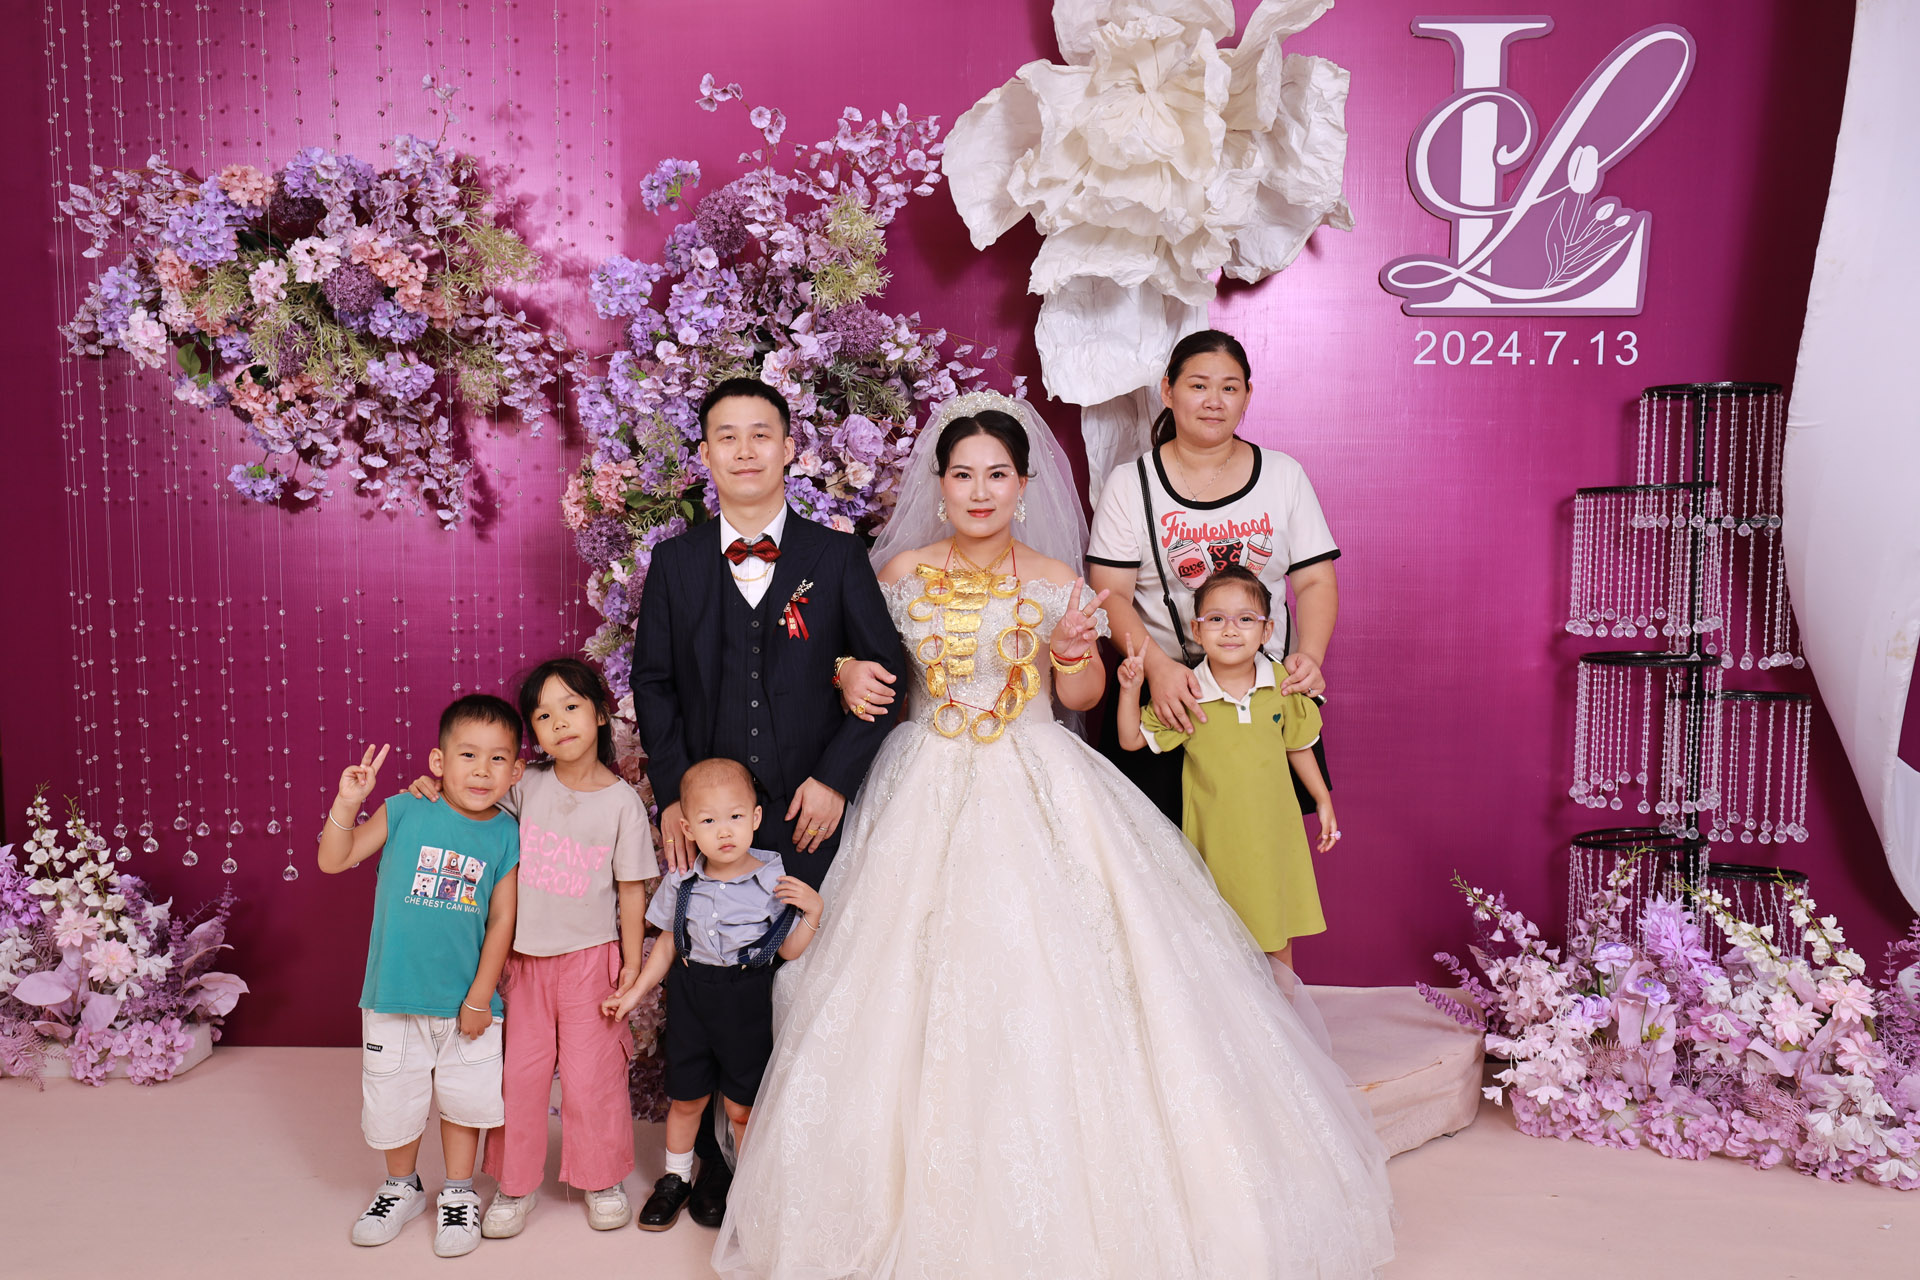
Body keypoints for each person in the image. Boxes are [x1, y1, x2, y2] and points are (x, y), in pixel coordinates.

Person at [711, 393, 1393, 1279]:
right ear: (938, 484)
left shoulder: (1057, 579)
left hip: (1034, 772)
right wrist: (846, 671)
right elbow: (849, 655)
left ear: (1025, 485)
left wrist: (1074, 650)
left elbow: (1079, 701)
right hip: (918, 777)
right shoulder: (898, 571)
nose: (980, 491)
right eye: (963, 475)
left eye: (997, 474)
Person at [630, 375, 898, 1224]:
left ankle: (793, 1154)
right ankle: (711, 1160)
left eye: (760, 434)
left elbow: (887, 673)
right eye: (726, 435)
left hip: (804, 811)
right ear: (704, 455)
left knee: (793, 976)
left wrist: (836, 778)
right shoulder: (675, 563)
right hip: (710, 822)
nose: (744, 450)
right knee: (710, 977)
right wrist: (677, 797)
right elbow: (654, 685)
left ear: (789, 448)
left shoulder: (836, 557)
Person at [1086, 329, 1341, 825]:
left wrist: (1309, 657)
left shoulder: (1283, 475)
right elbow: (1110, 595)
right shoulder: (1130, 483)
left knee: (1257, 846)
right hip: (1169, 694)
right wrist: (1158, 670)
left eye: (1229, 387)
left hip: (1261, 693)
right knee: (1159, 853)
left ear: (1247, 395)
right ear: (1168, 391)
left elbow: (1315, 581)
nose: (1214, 401)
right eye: (1198, 385)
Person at [317, 695, 524, 1259]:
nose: (481, 770)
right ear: (439, 761)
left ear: (516, 771)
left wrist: (480, 996)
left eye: (498, 759)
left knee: (465, 1100)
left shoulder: (507, 833)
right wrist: (348, 802)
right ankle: (401, 1187)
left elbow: (503, 919)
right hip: (394, 994)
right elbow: (334, 859)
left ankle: (458, 1192)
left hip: (467, 1005)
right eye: (468, 755)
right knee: (395, 1099)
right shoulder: (406, 808)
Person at [601, 757, 823, 1232]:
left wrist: (813, 913)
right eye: (708, 821)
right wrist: (635, 991)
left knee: (742, 1107)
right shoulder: (682, 881)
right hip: (691, 997)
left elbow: (788, 949)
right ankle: (676, 1179)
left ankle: (748, 1190)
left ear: (756, 818)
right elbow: (667, 944)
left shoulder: (774, 880)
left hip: (745, 999)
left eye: (735, 816)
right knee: (687, 1098)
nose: (724, 831)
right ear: (687, 829)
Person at [1116, 566, 1340, 979]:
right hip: (1214, 845)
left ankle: (1283, 1019)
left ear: (1267, 630)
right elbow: (1131, 740)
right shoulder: (1188, 692)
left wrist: (1322, 799)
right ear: (1197, 631)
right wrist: (1130, 690)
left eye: (1245, 619)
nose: (1231, 630)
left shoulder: (1282, 684)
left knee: (1277, 938)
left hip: (1273, 839)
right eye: (1216, 619)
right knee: (1219, 946)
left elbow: (1298, 744)